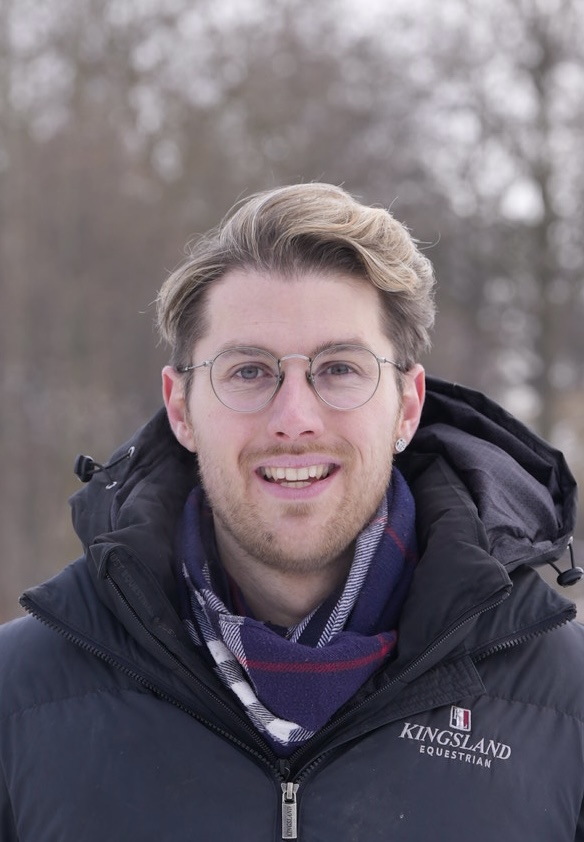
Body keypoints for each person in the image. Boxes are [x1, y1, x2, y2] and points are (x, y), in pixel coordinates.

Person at [0, 182, 583, 841]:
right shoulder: (19, 698)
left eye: (339, 368)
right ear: (181, 407)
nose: (295, 419)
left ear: (407, 406)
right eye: (249, 371)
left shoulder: (567, 702)